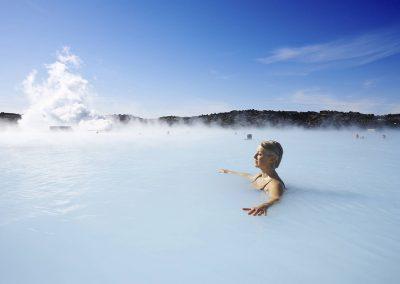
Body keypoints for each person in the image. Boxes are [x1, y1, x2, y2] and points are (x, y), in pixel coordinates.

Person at [219, 140, 285, 216]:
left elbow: (276, 198)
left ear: (272, 159)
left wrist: (264, 205)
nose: (254, 156)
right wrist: (228, 171)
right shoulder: (259, 176)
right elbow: (247, 175)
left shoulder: (274, 184)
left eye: (259, 154)